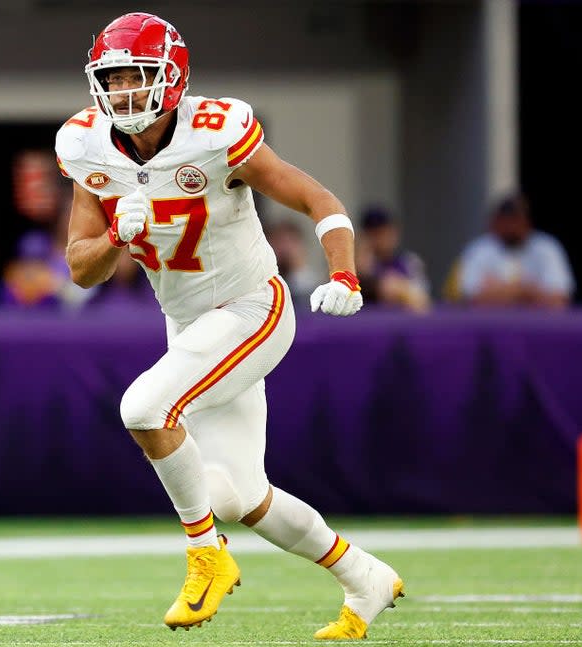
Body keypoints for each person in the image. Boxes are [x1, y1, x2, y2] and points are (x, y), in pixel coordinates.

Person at [56, 12, 403, 640]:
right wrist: (114, 236)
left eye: (138, 76)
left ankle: (205, 556)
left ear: (172, 77)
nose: (125, 92)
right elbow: (81, 270)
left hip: (250, 308)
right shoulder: (87, 146)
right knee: (236, 496)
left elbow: (315, 198)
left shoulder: (215, 133)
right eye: (113, 78)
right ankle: (364, 575)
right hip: (186, 320)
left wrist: (345, 274)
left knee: (143, 410)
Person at [457, 192, 574, 308]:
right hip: (490, 324)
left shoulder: (547, 247)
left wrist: (503, 290)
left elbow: (559, 299)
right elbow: (471, 298)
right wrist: (527, 291)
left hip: (538, 324)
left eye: (515, 221)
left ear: (527, 223)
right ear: (495, 223)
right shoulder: (479, 249)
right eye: (505, 222)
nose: (510, 228)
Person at [356, 206, 430, 313]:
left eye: (384, 233)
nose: (381, 239)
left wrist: (398, 288)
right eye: (374, 234)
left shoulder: (409, 262)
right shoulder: (354, 264)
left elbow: (423, 303)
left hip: (399, 324)